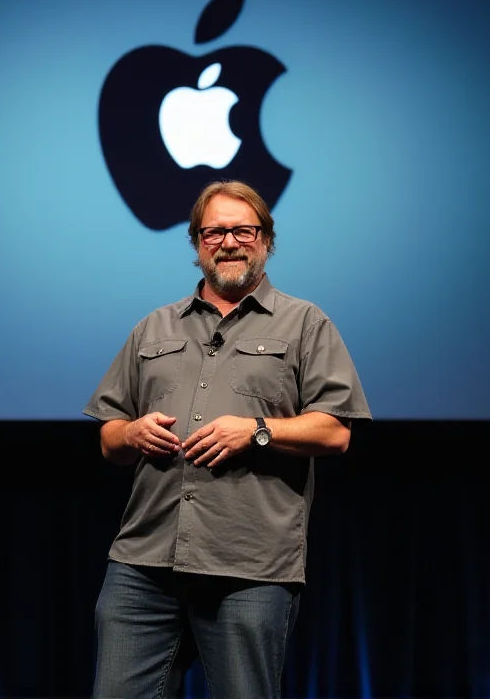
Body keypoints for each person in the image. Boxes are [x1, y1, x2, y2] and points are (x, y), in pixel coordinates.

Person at [84, 180, 371, 698]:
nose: (229, 242)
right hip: (143, 564)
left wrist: (257, 430)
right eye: (214, 232)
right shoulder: (153, 328)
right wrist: (132, 430)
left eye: (243, 229)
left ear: (266, 240)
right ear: (196, 244)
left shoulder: (305, 324)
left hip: (250, 565)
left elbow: (335, 431)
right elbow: (109, 437)